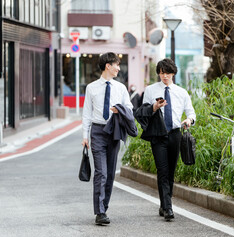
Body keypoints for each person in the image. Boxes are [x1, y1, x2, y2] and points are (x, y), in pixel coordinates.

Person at [135, 58, 196, 221]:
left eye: (167, 73)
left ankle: (163, 205)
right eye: (161, 73)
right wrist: (155, 107)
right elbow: (142, 111)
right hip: (158, 134)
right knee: (162, 171)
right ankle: (168, 208)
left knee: (170, 172)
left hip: (175, 134)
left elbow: (191, 113)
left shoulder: (181, 92)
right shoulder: (151, 90)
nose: (164, 76)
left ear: (173, 73)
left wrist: (188, 120)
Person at [81, 52, 133, 225]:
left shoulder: (121, 88)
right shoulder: (91, 88)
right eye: (116, 65)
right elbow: (87, 114)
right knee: (100, 172)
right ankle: (99, 212)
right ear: (108, 66)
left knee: (110, 173)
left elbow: (129, 107)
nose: (119, 68)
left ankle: (104, 206)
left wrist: (121, 110)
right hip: (97, 131)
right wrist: (85, 136)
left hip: (114, 130)